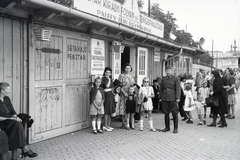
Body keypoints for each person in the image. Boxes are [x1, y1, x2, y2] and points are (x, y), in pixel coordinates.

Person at [0, 82, 38, 160]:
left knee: (23, 119)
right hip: (3, 122)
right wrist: (11, 118)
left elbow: (13, 111)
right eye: (8, 89)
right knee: (17, 125)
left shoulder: (7, 99)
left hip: (11, 121)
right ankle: (25, 148)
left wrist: (15, 116)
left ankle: (23, 149)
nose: (10, 91)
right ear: (2, 90)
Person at [159, 65, 181, 134]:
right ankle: (167, 127)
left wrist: (177, 97)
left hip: (173, 97)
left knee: (174, 113)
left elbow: (178, 89)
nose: (168, 72)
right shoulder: (163, 79)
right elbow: (161, 89)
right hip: (165, 97)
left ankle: (175, 128)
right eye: (166, 71)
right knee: (166, 113)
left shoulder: (176, 79)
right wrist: (160, 97)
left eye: (169, 70)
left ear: (172, 71)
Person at [117, 63, 135, 128]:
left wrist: (132, 92)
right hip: (123, 93)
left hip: (130, 94)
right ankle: (123, 123)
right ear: (124, 69)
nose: (128, 69)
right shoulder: (121, 76)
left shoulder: (132, 75)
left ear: (131, 69)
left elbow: (134, 85)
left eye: (129, 68)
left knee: (129, 107)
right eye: (126, 68)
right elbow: (119, 85)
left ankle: (130, 122)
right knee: (123, 107)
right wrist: (124, 93)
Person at [101, 67, 116, 132]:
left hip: (111, 95)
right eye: (107, 72)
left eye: (109, 72)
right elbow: (107, 85)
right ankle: (105, 125)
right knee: (106, 110)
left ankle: (109, 125)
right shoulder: (103, 79)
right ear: (104, 72)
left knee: (110, 111)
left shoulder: (110, 79)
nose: (108, 73)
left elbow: (112, 87)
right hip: (106, 95)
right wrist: (109, 79)